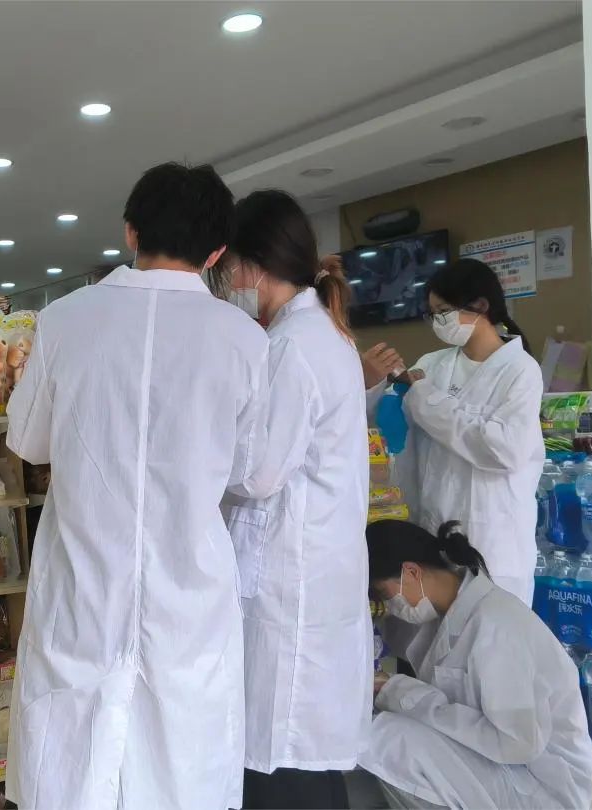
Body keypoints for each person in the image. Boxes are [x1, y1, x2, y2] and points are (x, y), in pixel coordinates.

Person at [5, 162, 271, 810]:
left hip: (83, 581)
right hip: (189, 588)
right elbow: (249, 470)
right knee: (180, 765)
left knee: (72, 765)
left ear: (130, 232)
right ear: (216, 251)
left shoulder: (64, 320)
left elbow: (28, 441)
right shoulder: (243, 337)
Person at [212, 190, 371, 809]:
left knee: (282, 757)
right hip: (312, 568)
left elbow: (258, 473)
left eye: (230, 268)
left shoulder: (293, 345)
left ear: (253, 265)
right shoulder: (320, 333)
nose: (230, 283)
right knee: (306, 756)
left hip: (291, 579)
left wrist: (201, 449)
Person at [361, 519, 592, 809]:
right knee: (392, 732)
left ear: (411, 571)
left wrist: (404, 694)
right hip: (508, 767)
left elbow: (517, 742)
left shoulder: (496, 625)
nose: (391, 607)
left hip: (541, 784)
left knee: (391, 738)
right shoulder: (448, 618)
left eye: (386, 595)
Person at [367, 259, 544, 604]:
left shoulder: (520, 370)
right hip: (432, 533)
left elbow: (504, 450)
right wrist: (372, 382)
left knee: (488, 631)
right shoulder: (432, 365)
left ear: (480, 306)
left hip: (492, 543)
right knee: (434, 631)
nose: (437, 322)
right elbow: (386, 417)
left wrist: (427, 399)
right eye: (432, 314)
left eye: (443, 312)